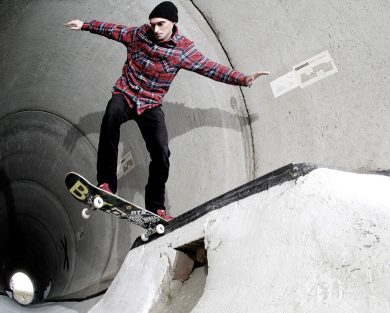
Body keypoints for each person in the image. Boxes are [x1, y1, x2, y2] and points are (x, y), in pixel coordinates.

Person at [65, 1, 269, 221]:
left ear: (173, 23)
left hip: (150, 104)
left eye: (161, 24)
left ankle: (155, 208)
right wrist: (85, 24)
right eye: (152, 24)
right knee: (110, 118)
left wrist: (243, 79)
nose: (156, 30)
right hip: (126, 94)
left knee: (162, 153)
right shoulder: (139, 34)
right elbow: (113, 30)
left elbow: (210, 68)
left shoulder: (183, 50)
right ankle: (106, 183)